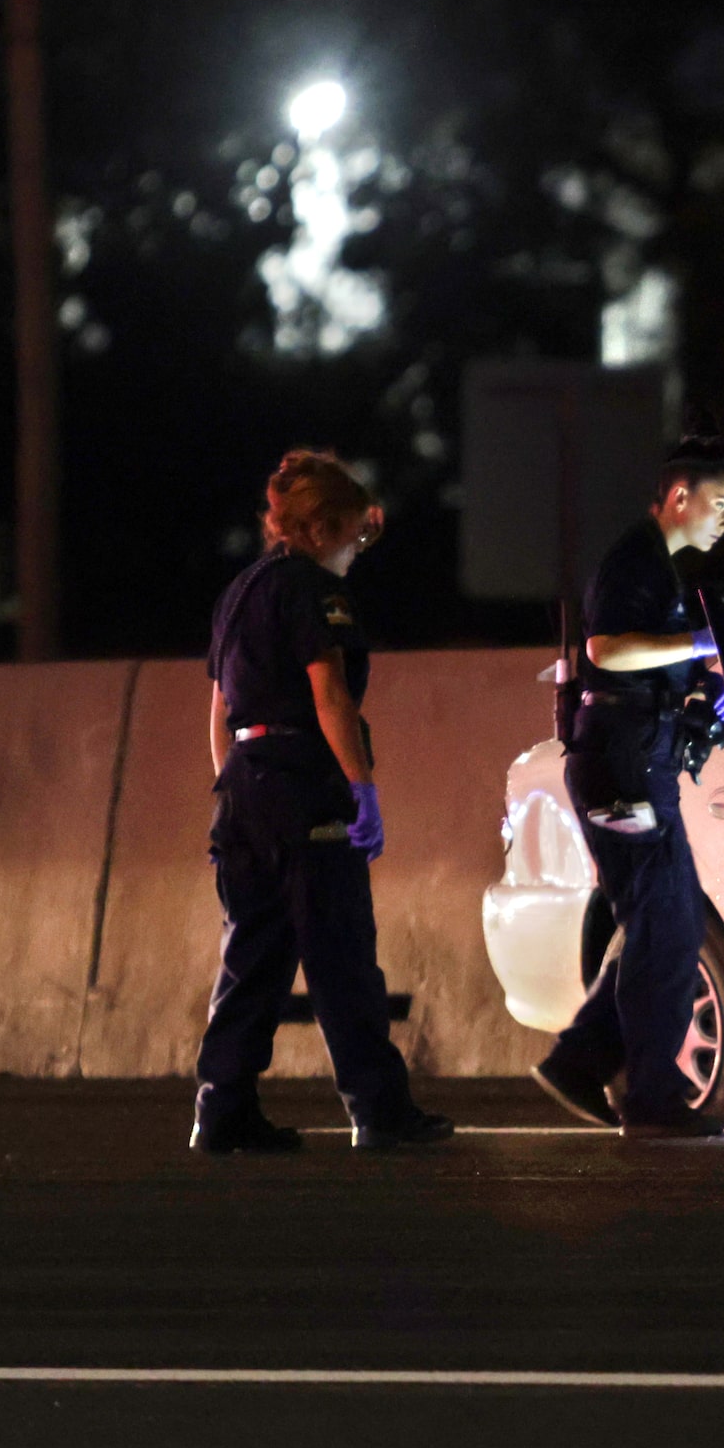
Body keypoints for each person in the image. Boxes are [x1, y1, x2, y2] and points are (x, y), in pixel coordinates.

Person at [194, 450, 454, 1153]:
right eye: (354, 534)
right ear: (319, 528)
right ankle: (380, 1111)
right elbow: (329, 694)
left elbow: (220, 711)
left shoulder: (239, 592)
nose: (357, 549)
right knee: (341, 957)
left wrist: (235, 791)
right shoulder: (312, 591)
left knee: (251, 960)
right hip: (304, 789)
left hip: (245, 788)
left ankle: (222, 1108)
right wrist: (362, 788)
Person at [530, 435, 724, 1138]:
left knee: (663, 923)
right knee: (665, 926)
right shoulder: (635, 561)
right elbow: (605, 650)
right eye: (721, 504)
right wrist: (703, 646)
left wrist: (707, 678)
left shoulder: (657, 566)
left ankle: (581, 1063)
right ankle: (649, 1099)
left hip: (637, 756)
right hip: (622, 760)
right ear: (680, 497)